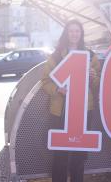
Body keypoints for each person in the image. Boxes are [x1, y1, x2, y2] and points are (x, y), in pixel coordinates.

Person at [41, 19, 100, 182]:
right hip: (60, 111)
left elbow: (97, 84)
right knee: (60, 155)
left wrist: (93, 77)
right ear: (66, 34)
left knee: (79, 155)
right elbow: (45, 81)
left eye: (77, 31)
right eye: (71, 31)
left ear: (81, 34)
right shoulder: (56, 56)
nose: (74, 34)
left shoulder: (90, 56)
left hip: (83, 111)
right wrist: (58, 89)